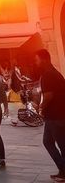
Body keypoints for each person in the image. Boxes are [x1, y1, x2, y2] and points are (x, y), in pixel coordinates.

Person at [35, 49, 65, 181]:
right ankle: (62, 169)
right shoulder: (54, 73)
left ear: (44, 59)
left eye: (37, 60)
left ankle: (64, 172)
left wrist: (40, 108)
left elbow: (48, 96)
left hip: (56, 116)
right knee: (48, 141)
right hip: (55, 115)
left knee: (61, 145)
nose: (36, 63)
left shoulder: (48, 75)